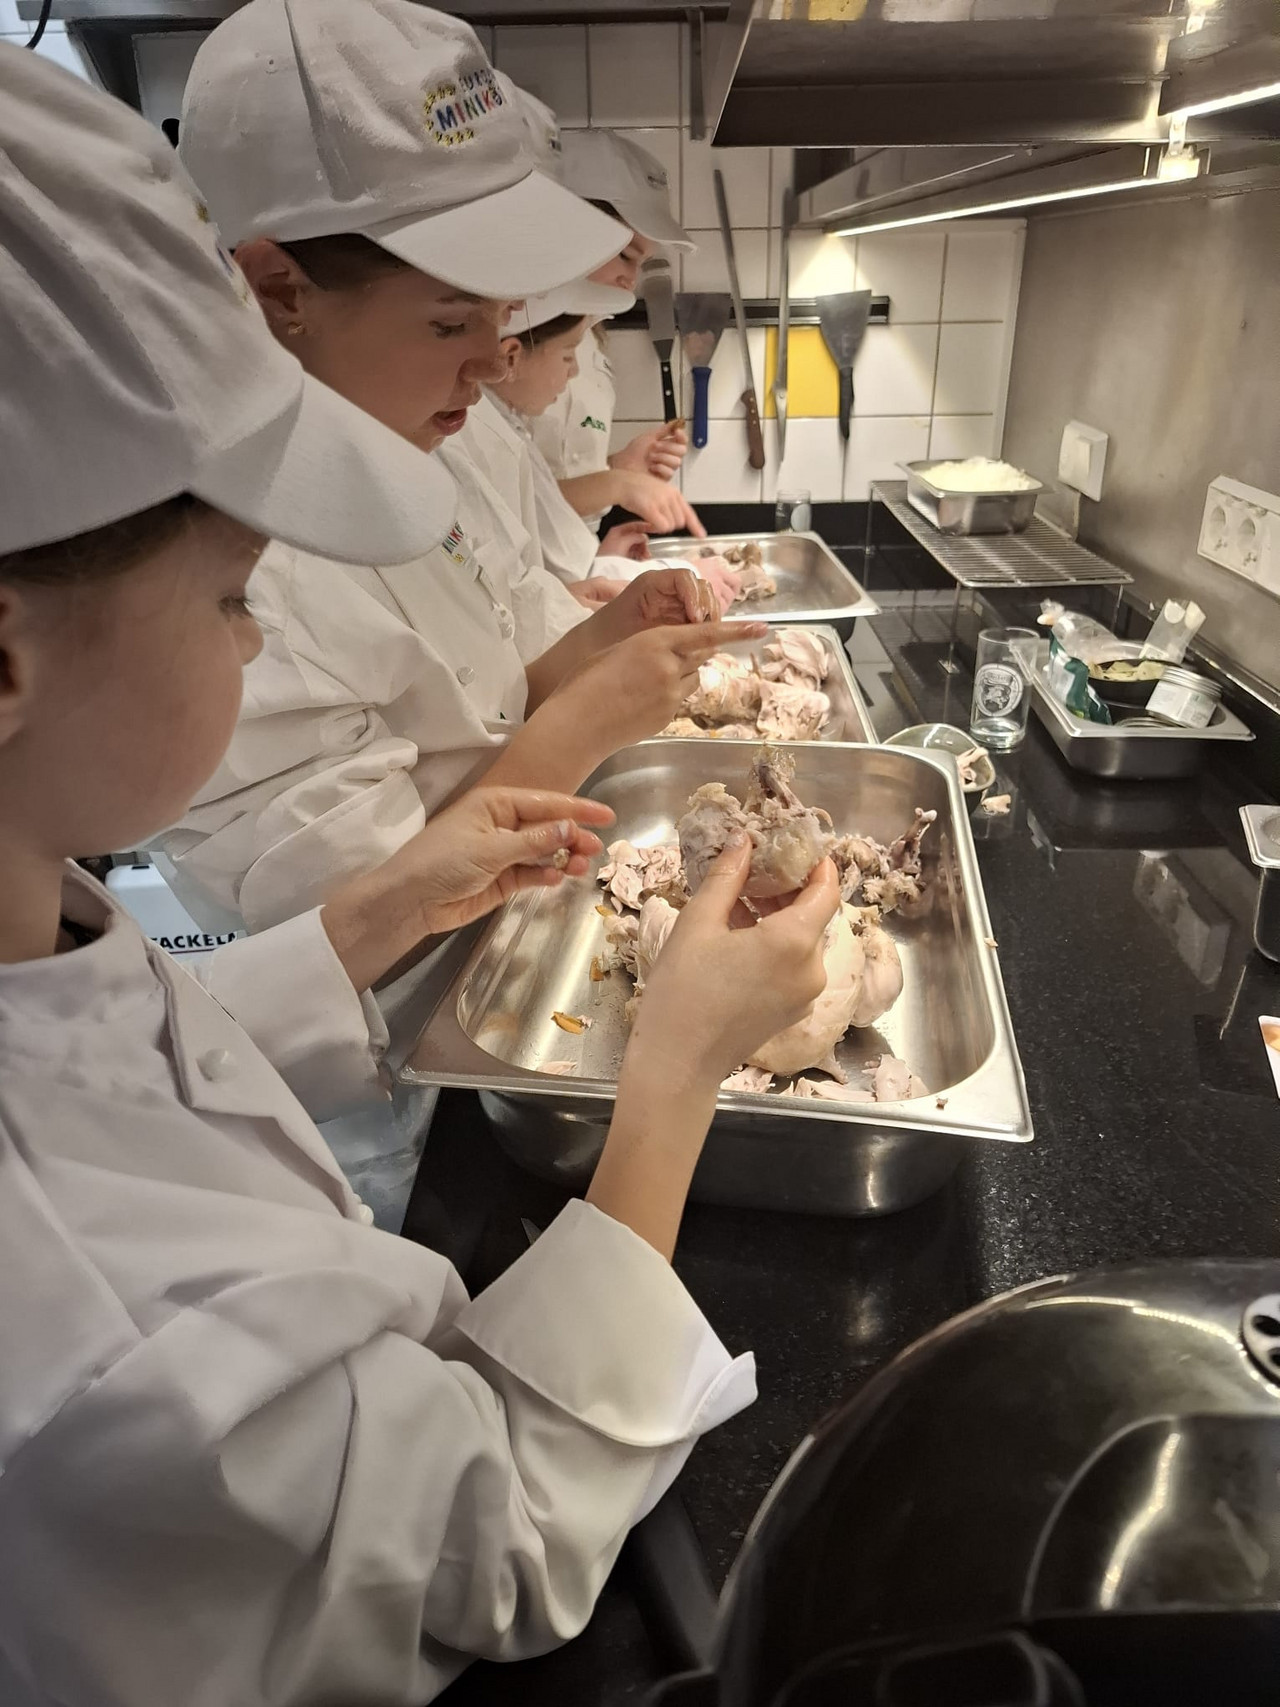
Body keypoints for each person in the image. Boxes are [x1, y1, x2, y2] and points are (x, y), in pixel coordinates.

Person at [0, 45, 840, 1707]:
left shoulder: (42, 931)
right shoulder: (89, 1322)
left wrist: (387, 902)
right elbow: (496, 1538)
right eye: (231, 598)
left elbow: (119, 1061)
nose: (254, 635)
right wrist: (676, 1065)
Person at [157, 0, 757, 936]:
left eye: (502, 312)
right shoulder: (223, 578)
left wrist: (604, 643)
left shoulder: (397, 443)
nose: (492, 360)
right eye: (449, 323)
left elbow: (484, 708)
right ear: (279, 289)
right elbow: (364, 927)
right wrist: (591, 718)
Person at [488, 295, 743, 611]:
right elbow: (535, 598)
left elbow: (554, 550)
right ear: (511, 357)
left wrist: (595, 556)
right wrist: (684, 575)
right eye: (567, 356)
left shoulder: (507, 425)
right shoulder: (487, 435)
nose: (574, 371)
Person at [529, 127, 697, 527]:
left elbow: (555, 483)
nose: (632, 280)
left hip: (576, 561)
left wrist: (619, 467)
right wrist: (617, 484)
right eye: (625, 256)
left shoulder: (590, 338)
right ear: (568, 229)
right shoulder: (512, 339)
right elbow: (506, 507)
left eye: (641, 262)